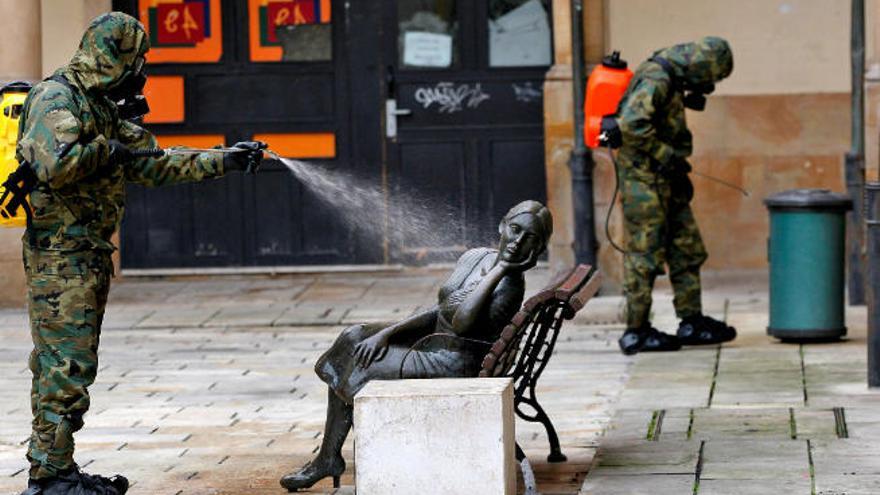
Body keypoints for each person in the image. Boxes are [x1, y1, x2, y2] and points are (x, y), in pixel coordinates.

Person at [16, 12, 266, 495]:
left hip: (86, 254)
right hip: (60, 258)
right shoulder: (56, 97)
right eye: (138, 59)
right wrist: (107, 150)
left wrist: (226, 159)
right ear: (115, 56)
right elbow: (55, 163)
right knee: (63, 366)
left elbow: (155, 162)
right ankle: (49, 479)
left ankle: (56, 468)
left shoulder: (101, 105)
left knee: (71, 364)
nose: (142, 70)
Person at [279, 200, 553, 492]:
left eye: (530, 239)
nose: (517, 241)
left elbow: (460, 324)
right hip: (436, 342)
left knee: (358, 362)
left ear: (535, 250)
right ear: (502, 225)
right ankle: (329, 457)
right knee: (354, 337)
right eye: (515, 229)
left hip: (452, 362)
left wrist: (502, 270)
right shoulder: (475, 257)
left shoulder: (510, 285)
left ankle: (330, 458)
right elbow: (441, 310)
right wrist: (388, 333)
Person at [612, 36, 737, 355]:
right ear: (703, 66)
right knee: (645, 255)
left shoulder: (674, 77)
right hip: (645, 183)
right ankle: (636, 330)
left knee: (686, 249)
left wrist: (674, 167)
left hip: (665, 178)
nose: (709, 86)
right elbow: (631, 125)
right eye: (712, 78)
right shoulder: (658, 77)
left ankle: (691, 320)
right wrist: (667, 155)